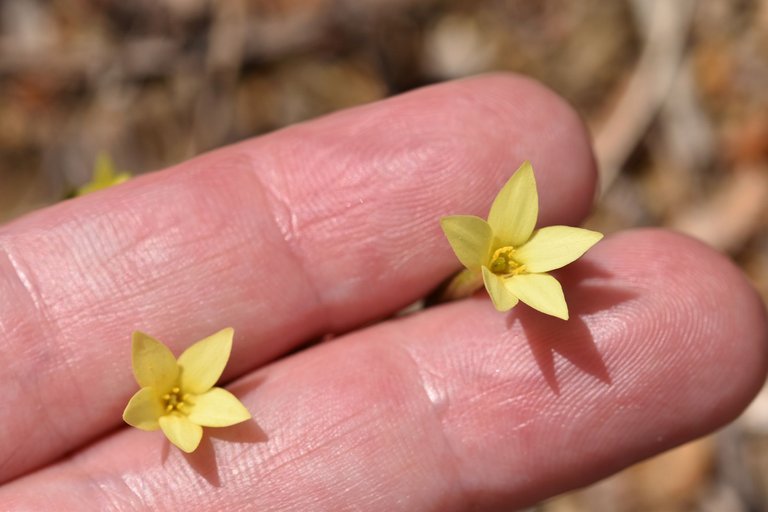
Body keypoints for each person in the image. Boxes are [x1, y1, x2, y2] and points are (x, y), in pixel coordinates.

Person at [0, 74, 765, 510]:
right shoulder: (164, 401)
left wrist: (494, 275)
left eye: (501, 264)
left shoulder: (502, 261)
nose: (500, 266)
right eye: (498, 262)